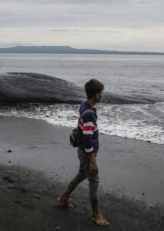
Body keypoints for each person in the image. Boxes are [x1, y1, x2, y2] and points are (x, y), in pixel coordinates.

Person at [57, 78, 110, 227]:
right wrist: (92, 160)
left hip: (83, 150)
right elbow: (87, 139)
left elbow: (86, 133)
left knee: (81, 174)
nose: (102, 95)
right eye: (101, 93)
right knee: (94, 180)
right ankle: (96, 214)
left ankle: (63, 197)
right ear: (96, 95)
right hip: (87, 152)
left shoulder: (85, 105)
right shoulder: (89, 114)